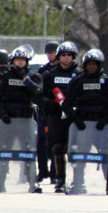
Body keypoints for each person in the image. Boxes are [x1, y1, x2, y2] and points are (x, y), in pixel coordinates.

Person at [61, 48, 108, 195]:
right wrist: (76, 120)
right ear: (85, 65)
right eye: (89, 64)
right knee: (80, 156)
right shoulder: (78, 81)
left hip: (100, 125)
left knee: (104, 155)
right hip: (83, 125)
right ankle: (77, 182)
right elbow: (66, 104)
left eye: (95, 64)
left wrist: (106, 120)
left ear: (99, 65)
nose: (92, 67)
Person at [0, 45, 42, 193]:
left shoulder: (33, 77)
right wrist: (2, 114)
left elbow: (38, 95)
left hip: (26, 120)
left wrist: (28, 82)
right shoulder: (4, 77)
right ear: (12, 61)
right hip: (8, 120)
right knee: (4, 152)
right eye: (17, 60)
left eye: (23, 60)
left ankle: (32, 183)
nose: (20, 62)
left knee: (28, 152)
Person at [41, 41, 81, 193]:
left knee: (75, 148)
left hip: (73, 116)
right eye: (63, 55)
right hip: (56, 115)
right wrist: (53, 105)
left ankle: (78, 179)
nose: (66, 58)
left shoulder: (79, 74)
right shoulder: (49, 74)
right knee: (57, 148)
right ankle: (60, 179)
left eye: (69, 55)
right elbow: (41, 97)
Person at [37, 41, 59, 182]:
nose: (50, 55)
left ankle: (54, 172)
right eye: (48, 53)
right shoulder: (43, 70)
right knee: (41, 142)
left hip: (56, 109)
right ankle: (42, 170)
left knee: (54, 142)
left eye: (53, 52)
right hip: (43, 110)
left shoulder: (61, 70)